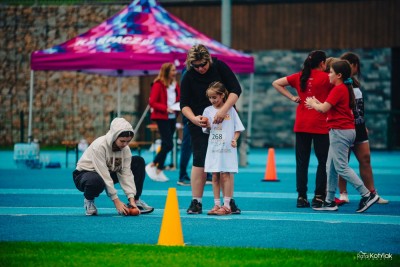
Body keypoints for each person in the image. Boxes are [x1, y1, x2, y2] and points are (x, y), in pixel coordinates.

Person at [305, 60, 379, 213]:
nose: (328, 75)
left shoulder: (338, 89)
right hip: (342, 131)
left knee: (341, 167)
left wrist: (313, 104)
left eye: (330, 72)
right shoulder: (342, 88)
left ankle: (366, 195)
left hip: (340, 131)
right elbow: (329, 106)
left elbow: (324, 109)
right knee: (330, 166)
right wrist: (317, 102)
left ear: (338, 75)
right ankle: (329, 201)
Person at [180, 44, 242, 214]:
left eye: (203, 64)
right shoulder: (188, 76)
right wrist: (194, 118)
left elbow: (236, 89)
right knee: (199, 159)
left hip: (225, 121)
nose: (200, 68)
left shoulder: (219, 67)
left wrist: (223, 110)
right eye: (196, 66)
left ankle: (228, 201)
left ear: (208, 59)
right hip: (200, 122)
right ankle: (196, 201)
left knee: (225, 162)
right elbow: (184, 104)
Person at [272, 50, 332, 209]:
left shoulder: (299, 76)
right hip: (321, 124)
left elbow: (276, 82)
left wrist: (292, 97)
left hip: (302, 123)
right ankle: (319, 196)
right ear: (322, 63)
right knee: (323, 162)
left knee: (302, 162)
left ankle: (301, 196)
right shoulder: (327, 78)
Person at [335, 52, 388, 205]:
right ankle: (343, 194)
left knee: (365, 159)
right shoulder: (339, 85)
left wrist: (363, 125)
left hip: (358, 127)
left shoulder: (355, 84)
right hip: (345, 127)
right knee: (343, 162)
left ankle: (373, 193)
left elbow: (359, 108)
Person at [72, 117, 154, 216]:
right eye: (122, 141)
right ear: (114, 137)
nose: (125, 144)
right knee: (95, 180)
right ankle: (89, 200)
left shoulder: (125, 149)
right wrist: (116, 201)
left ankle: (136, 202)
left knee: (138, 161)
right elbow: (104, 174)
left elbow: (126, 174)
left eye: (128, 141)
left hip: (109, 171)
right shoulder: (99, 146)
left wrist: (131, 197)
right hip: (85, 174)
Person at [202, 82, 245, 215]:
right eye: (210, 98)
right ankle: (216, 204)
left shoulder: (230, 110)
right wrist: (207, 124)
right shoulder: (207, 110)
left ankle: (227, 206)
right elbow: (206, 129)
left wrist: (234, 139)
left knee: (226, 175)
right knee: (214, 175)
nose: (212, 100)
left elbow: (238, 128)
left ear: (222, 95)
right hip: (214, 148)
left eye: (215, 97)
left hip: (227, 148)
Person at [145, 63, 180, 182]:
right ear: (166, 72)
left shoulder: (175, 84)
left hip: (172, 116)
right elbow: (152, 102)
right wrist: (165, 108)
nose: (175, 72)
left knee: (166, 144)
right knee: (169, 144)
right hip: (162, 117)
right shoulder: (158, 84)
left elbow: (179, 98)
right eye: (173, 70)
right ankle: (152, 164)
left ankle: (159, 170)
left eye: (175, 70)